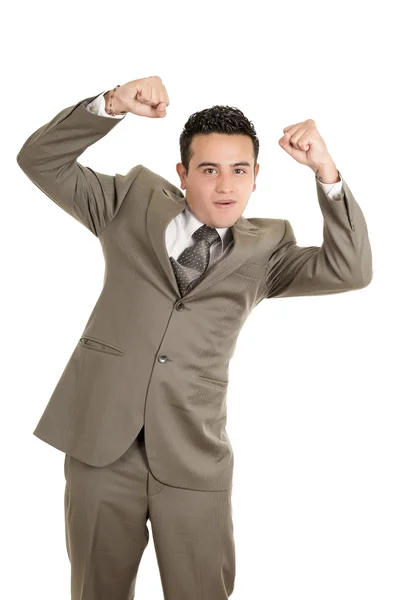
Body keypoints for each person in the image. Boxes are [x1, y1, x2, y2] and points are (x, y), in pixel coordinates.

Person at [16, 75, 373, 600]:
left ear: (256, 178)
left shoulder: (268, 250)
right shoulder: (129, 202)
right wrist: (112, 103)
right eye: (208, 170)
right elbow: (39, 161)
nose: (225, 186)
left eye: (239, 171)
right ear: (183, 174)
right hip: (101, 447)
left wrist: (328, 173)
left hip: (193, 456)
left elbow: (351, 269)